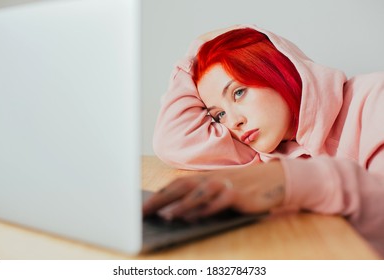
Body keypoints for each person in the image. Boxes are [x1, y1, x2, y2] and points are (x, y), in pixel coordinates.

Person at [142, 24, 384, 257]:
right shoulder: (262, 152)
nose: (233, 122)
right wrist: (194, 57)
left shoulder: (375, 97)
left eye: (238, 92)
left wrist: (285, 179)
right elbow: (172, 141)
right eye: (219, 115)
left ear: (275, 69)